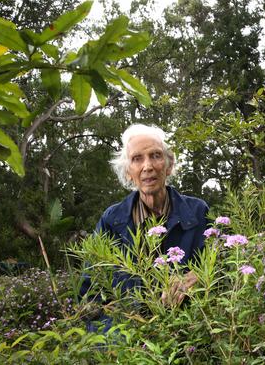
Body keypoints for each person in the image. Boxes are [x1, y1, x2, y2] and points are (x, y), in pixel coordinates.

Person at [81, 124, 209, 328]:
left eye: (156, 155)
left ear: (169, 165)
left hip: (189, 330)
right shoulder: (112, 220)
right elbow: (89, 293)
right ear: (128, 172)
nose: (147, 166)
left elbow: (226, 260)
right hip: (129, 337)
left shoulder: (197, 212)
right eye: (137, 158)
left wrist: (198, 276)